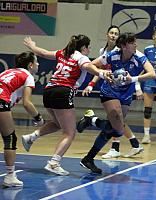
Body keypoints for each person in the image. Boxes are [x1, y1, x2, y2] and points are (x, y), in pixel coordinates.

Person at [21, 35, 110, 176]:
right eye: (89, 46)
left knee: (57, 123)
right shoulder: (81, 57)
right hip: (63, 91)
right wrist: (102, 73)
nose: (90, 49)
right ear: (83, 47)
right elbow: (88, 67)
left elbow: (43, 53)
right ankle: (54, 163)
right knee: (70, 132)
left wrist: (32, 46)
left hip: (48, 91)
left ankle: (31, 137)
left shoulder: (63, 52)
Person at [77, 32, 156, 174]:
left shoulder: (139, 57)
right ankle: (91, 125)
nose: (136, 45)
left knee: (116, 130)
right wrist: (103, 72)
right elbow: (91, 65)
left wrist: (132, 79)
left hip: (126, 95)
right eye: (133, 43)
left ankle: (88, 154)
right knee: (117, 119)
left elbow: (152, 74)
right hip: (110, 92)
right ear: (125, 46)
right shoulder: (112, 54)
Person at [0, 51, 44, 187]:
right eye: (36, 61)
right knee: (10, 138)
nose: (38, 64)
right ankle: (10, 176)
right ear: (30, 65)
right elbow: (27, 103)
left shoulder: (6, 72)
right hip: (1, 101)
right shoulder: (28, 76)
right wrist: (38, 118)